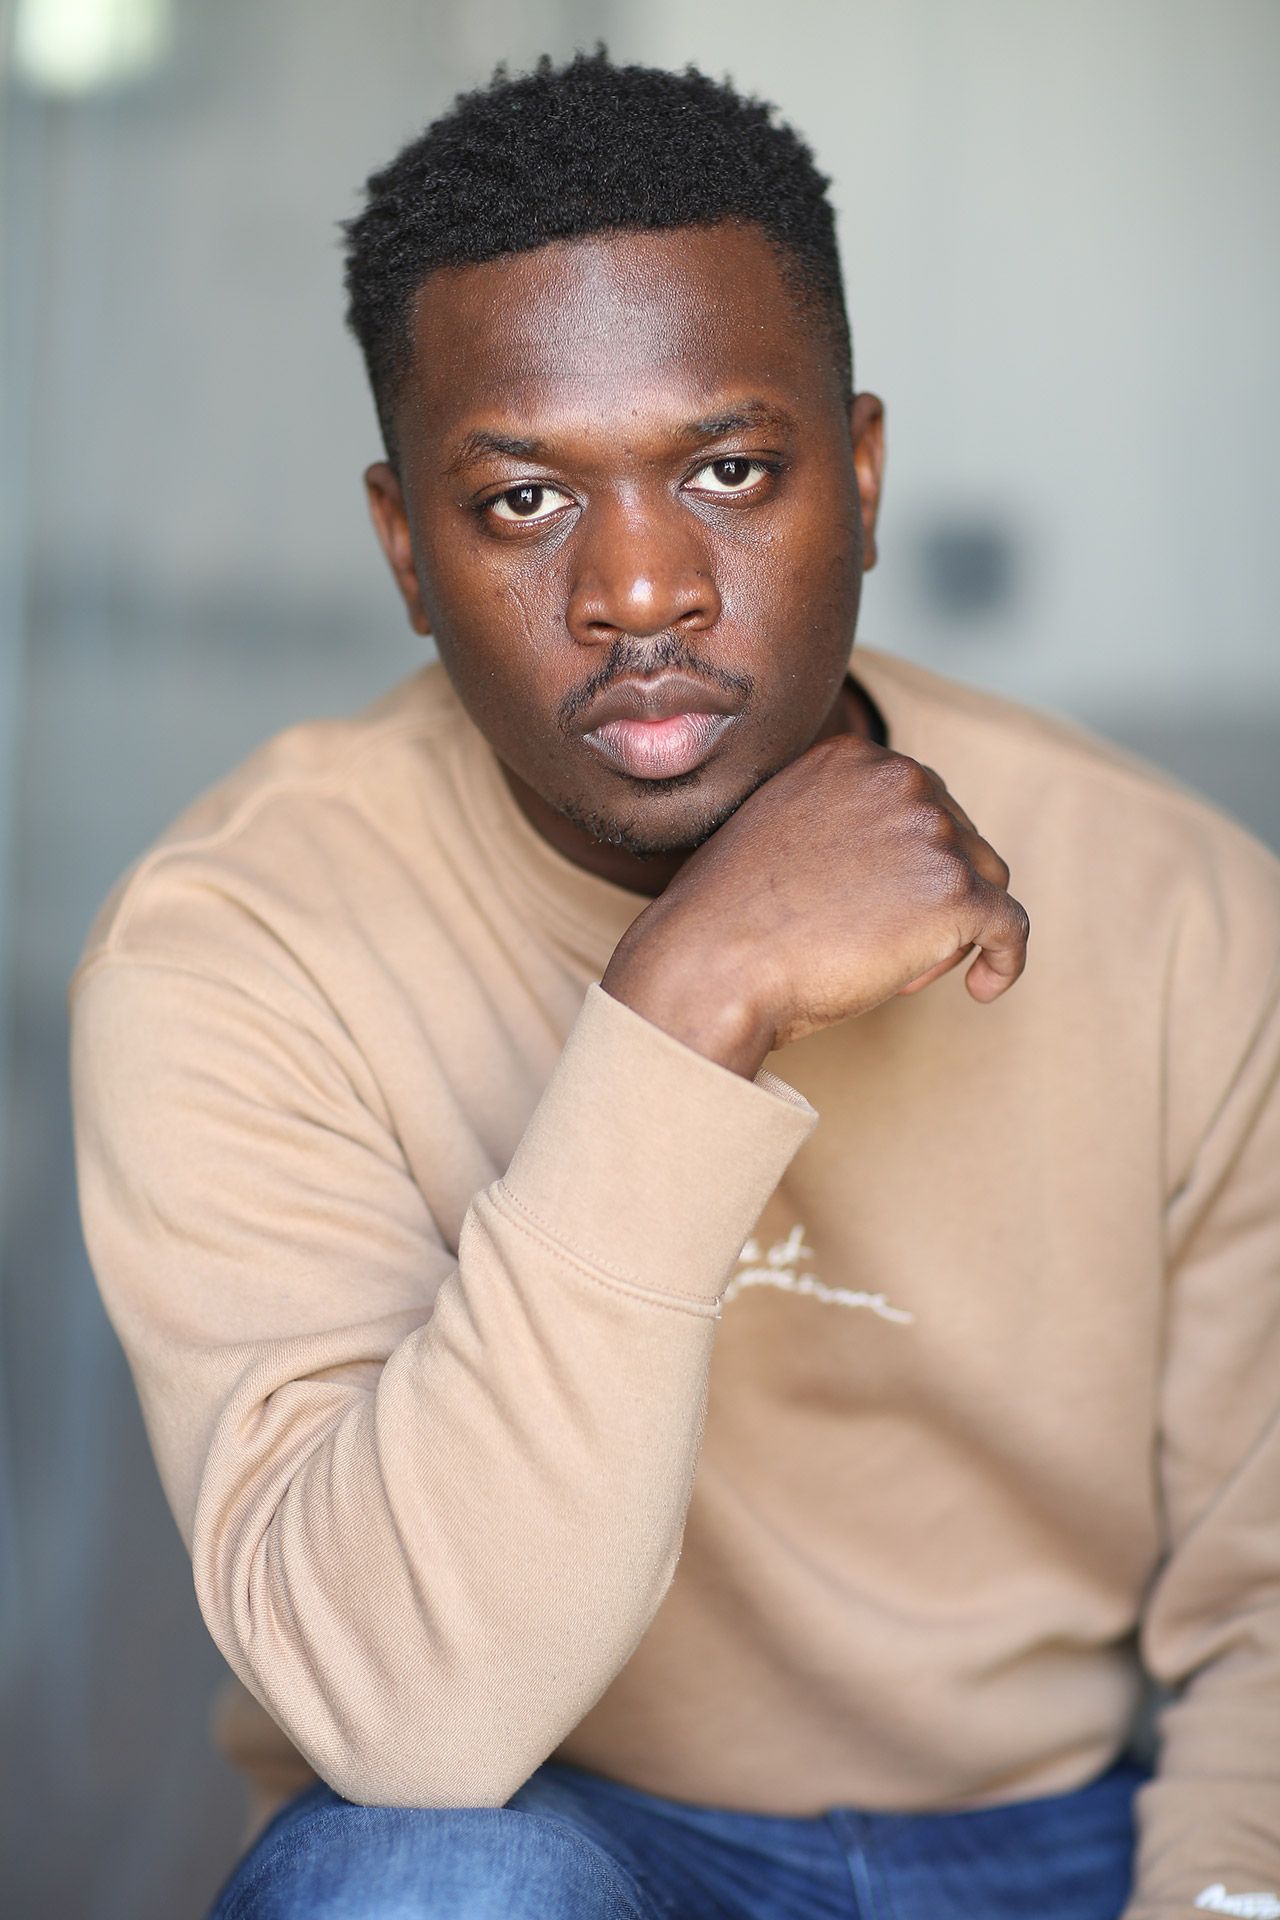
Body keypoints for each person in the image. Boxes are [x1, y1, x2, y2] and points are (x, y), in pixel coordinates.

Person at [70, 49, 1279, 1920]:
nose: (641, 591)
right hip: (580, 1840)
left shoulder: (1183, 906)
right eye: (523, 501)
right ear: (405, 550)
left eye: (728, 471)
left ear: (859, 478)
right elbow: (406, 1716)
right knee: (419, 1883)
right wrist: (687, 1000)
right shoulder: (239, 945)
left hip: (1070, 1836)